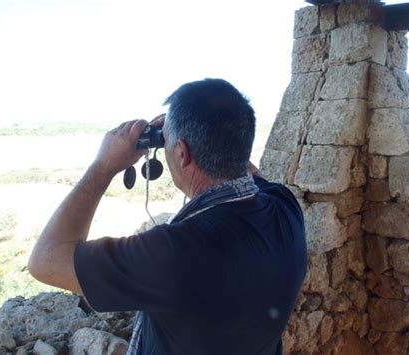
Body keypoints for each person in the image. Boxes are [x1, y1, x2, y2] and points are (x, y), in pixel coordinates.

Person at [28, 78, 307, 355]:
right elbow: (244, 173)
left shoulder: (176, 252)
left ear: (182, 153)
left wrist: (104, 164)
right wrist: (191, 133)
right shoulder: (284, 206)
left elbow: (45, 261)